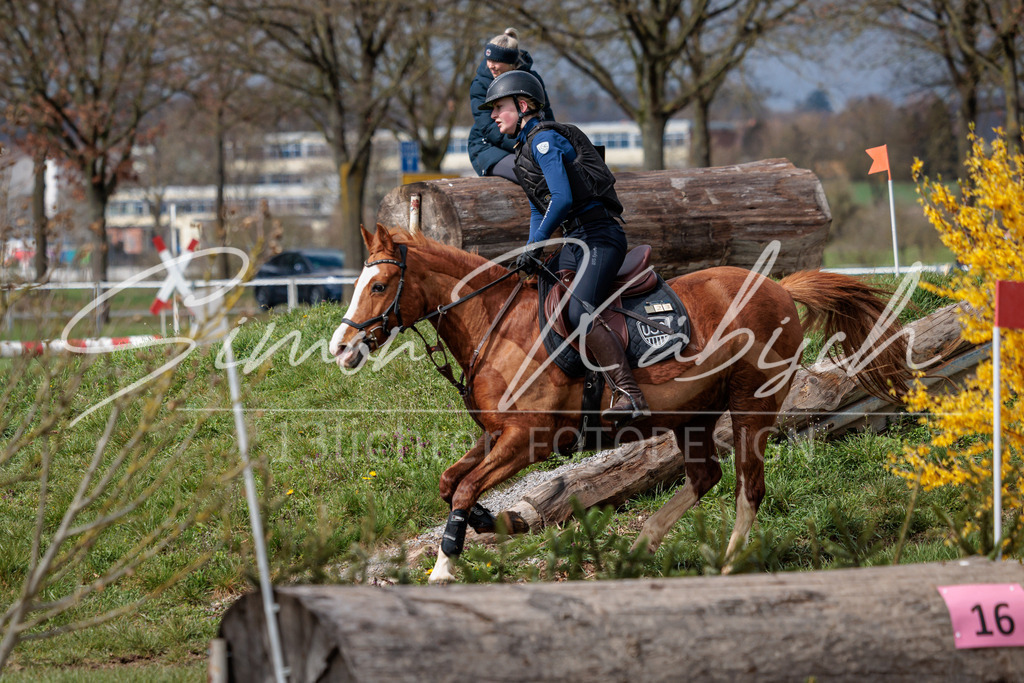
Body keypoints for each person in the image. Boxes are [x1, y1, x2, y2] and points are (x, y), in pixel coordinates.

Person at [479, 70, 650, 426]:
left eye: (500, 107)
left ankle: (630, 394)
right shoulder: (525, 150)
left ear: (523, 106)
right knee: (540, 299)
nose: (494, 115)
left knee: (578, 313)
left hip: (599, 237)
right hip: (576, 242)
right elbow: (538, 209)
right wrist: (531, 250)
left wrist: (538, 243)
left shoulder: (544, 141)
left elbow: (561, 199)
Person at [468, 28, 555, 181]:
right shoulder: (480, 84)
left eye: (496, 61)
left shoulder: (531, 79)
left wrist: (552, 141)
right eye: (488, 60)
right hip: (489, 148)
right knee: (532, 174)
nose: (490, 65)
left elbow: (545, 113)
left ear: (510, 62)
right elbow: (490, 128)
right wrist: (529, 148)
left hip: (528, 144)